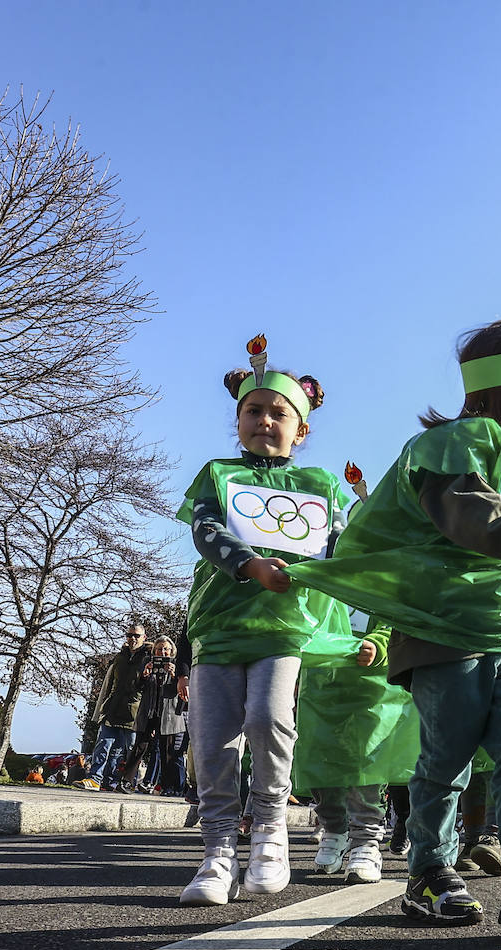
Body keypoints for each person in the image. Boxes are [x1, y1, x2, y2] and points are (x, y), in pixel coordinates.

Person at [288, 303, 501, 931]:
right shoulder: (449, 447)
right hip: (441, 635)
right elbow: (474, 515)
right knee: (447, 758)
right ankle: (430, 872)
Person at [176, 343, 347, 905]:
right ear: (238, 419)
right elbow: (206, 532)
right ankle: (217, 849)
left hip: (283, 628)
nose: (265, 421)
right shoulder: (217, 474)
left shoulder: (321, 485)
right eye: (254, 411)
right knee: (213, 738)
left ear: (300, 430)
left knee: (270, 721)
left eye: (279, 414)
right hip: (219, 627)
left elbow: (344, 548)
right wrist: (248, 564)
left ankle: (271, 833)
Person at [293, 613, 418, 884]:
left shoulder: (379, 577)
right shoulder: (319, 575)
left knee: (368, 762)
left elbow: (397, 614)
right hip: (322, 681)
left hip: (372, 686)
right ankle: (334, 830)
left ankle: (366, 840)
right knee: (319, 758)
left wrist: (380, 644)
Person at [123, 636, 190, 796]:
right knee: (139, 746)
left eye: (166, 649)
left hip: (168, 714)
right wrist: (144, 675)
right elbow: (137, 687)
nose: (163, 652)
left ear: (171, 650)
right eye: (159, 649)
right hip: (149, 711)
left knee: (166, 751)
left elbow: (179, 690)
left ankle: (167, 786)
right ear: (154, 650)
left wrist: (175, 676)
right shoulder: (147, 661)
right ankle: (126, 781)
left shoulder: (177, 665)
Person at [89, 625, 151, 790]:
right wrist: (103, 705)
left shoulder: (148, 658)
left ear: (144, 637)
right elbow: (109, 684)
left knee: (127, 750)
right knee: (103, 744)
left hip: (134, 712)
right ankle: (95, 778)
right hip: (113, 708)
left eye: (136, 635)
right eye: (129, 635)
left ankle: (122, 781)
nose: (132, 638)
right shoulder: (120, 657)